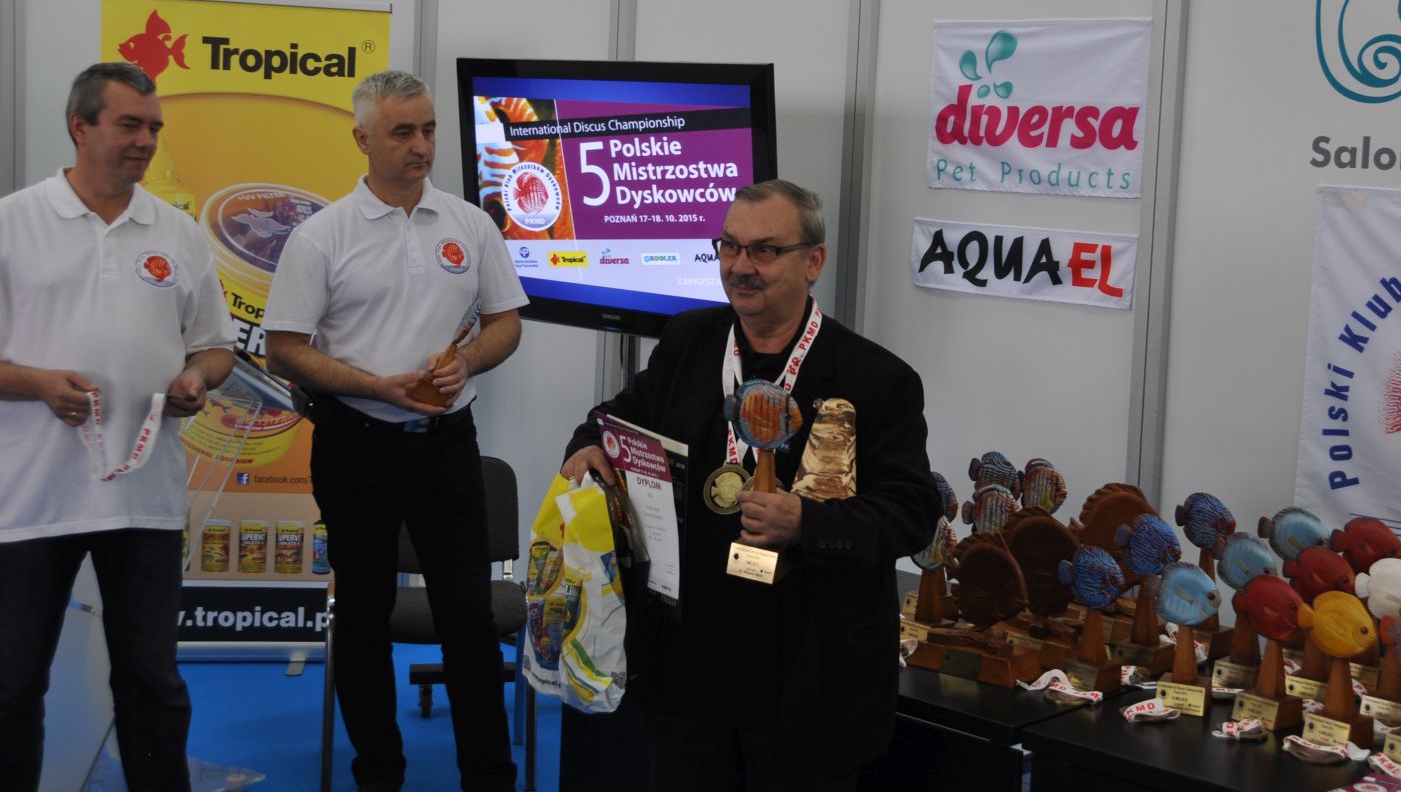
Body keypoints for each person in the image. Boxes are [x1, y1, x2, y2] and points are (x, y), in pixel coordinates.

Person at [562, 179, 941, 792]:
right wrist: (586, 444)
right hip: (689, 667)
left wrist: (807, 523)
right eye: (730, 246)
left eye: (765, 250)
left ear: (813, 261)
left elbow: (912, 512)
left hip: (805, 678)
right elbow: (617, 416)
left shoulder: (877, 379)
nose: (740, 266)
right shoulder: (690, 340)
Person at [263, 70, 526, 792]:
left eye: (429, 129)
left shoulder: (470, 224)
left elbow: (506, 322)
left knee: (469, 616)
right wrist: (371, 384)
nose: (422, 145)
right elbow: (283, 348)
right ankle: (378, 773)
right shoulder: (321, 236)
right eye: (403, 132)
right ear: (362, 139)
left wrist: (469, 359)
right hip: (357, 444)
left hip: (448, 446)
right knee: (363, 616)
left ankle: (490, 778)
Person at [0, 62, 235, 792]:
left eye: (154, 127)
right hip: (30, 500)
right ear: (80, 125)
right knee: (11, 683)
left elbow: (216, 346)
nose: (145, 141)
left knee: (152, 683)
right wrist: (37, 384)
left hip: (145, 500)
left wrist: (197, 377)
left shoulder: (178, 232)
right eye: (129, 124)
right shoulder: (12, 222)